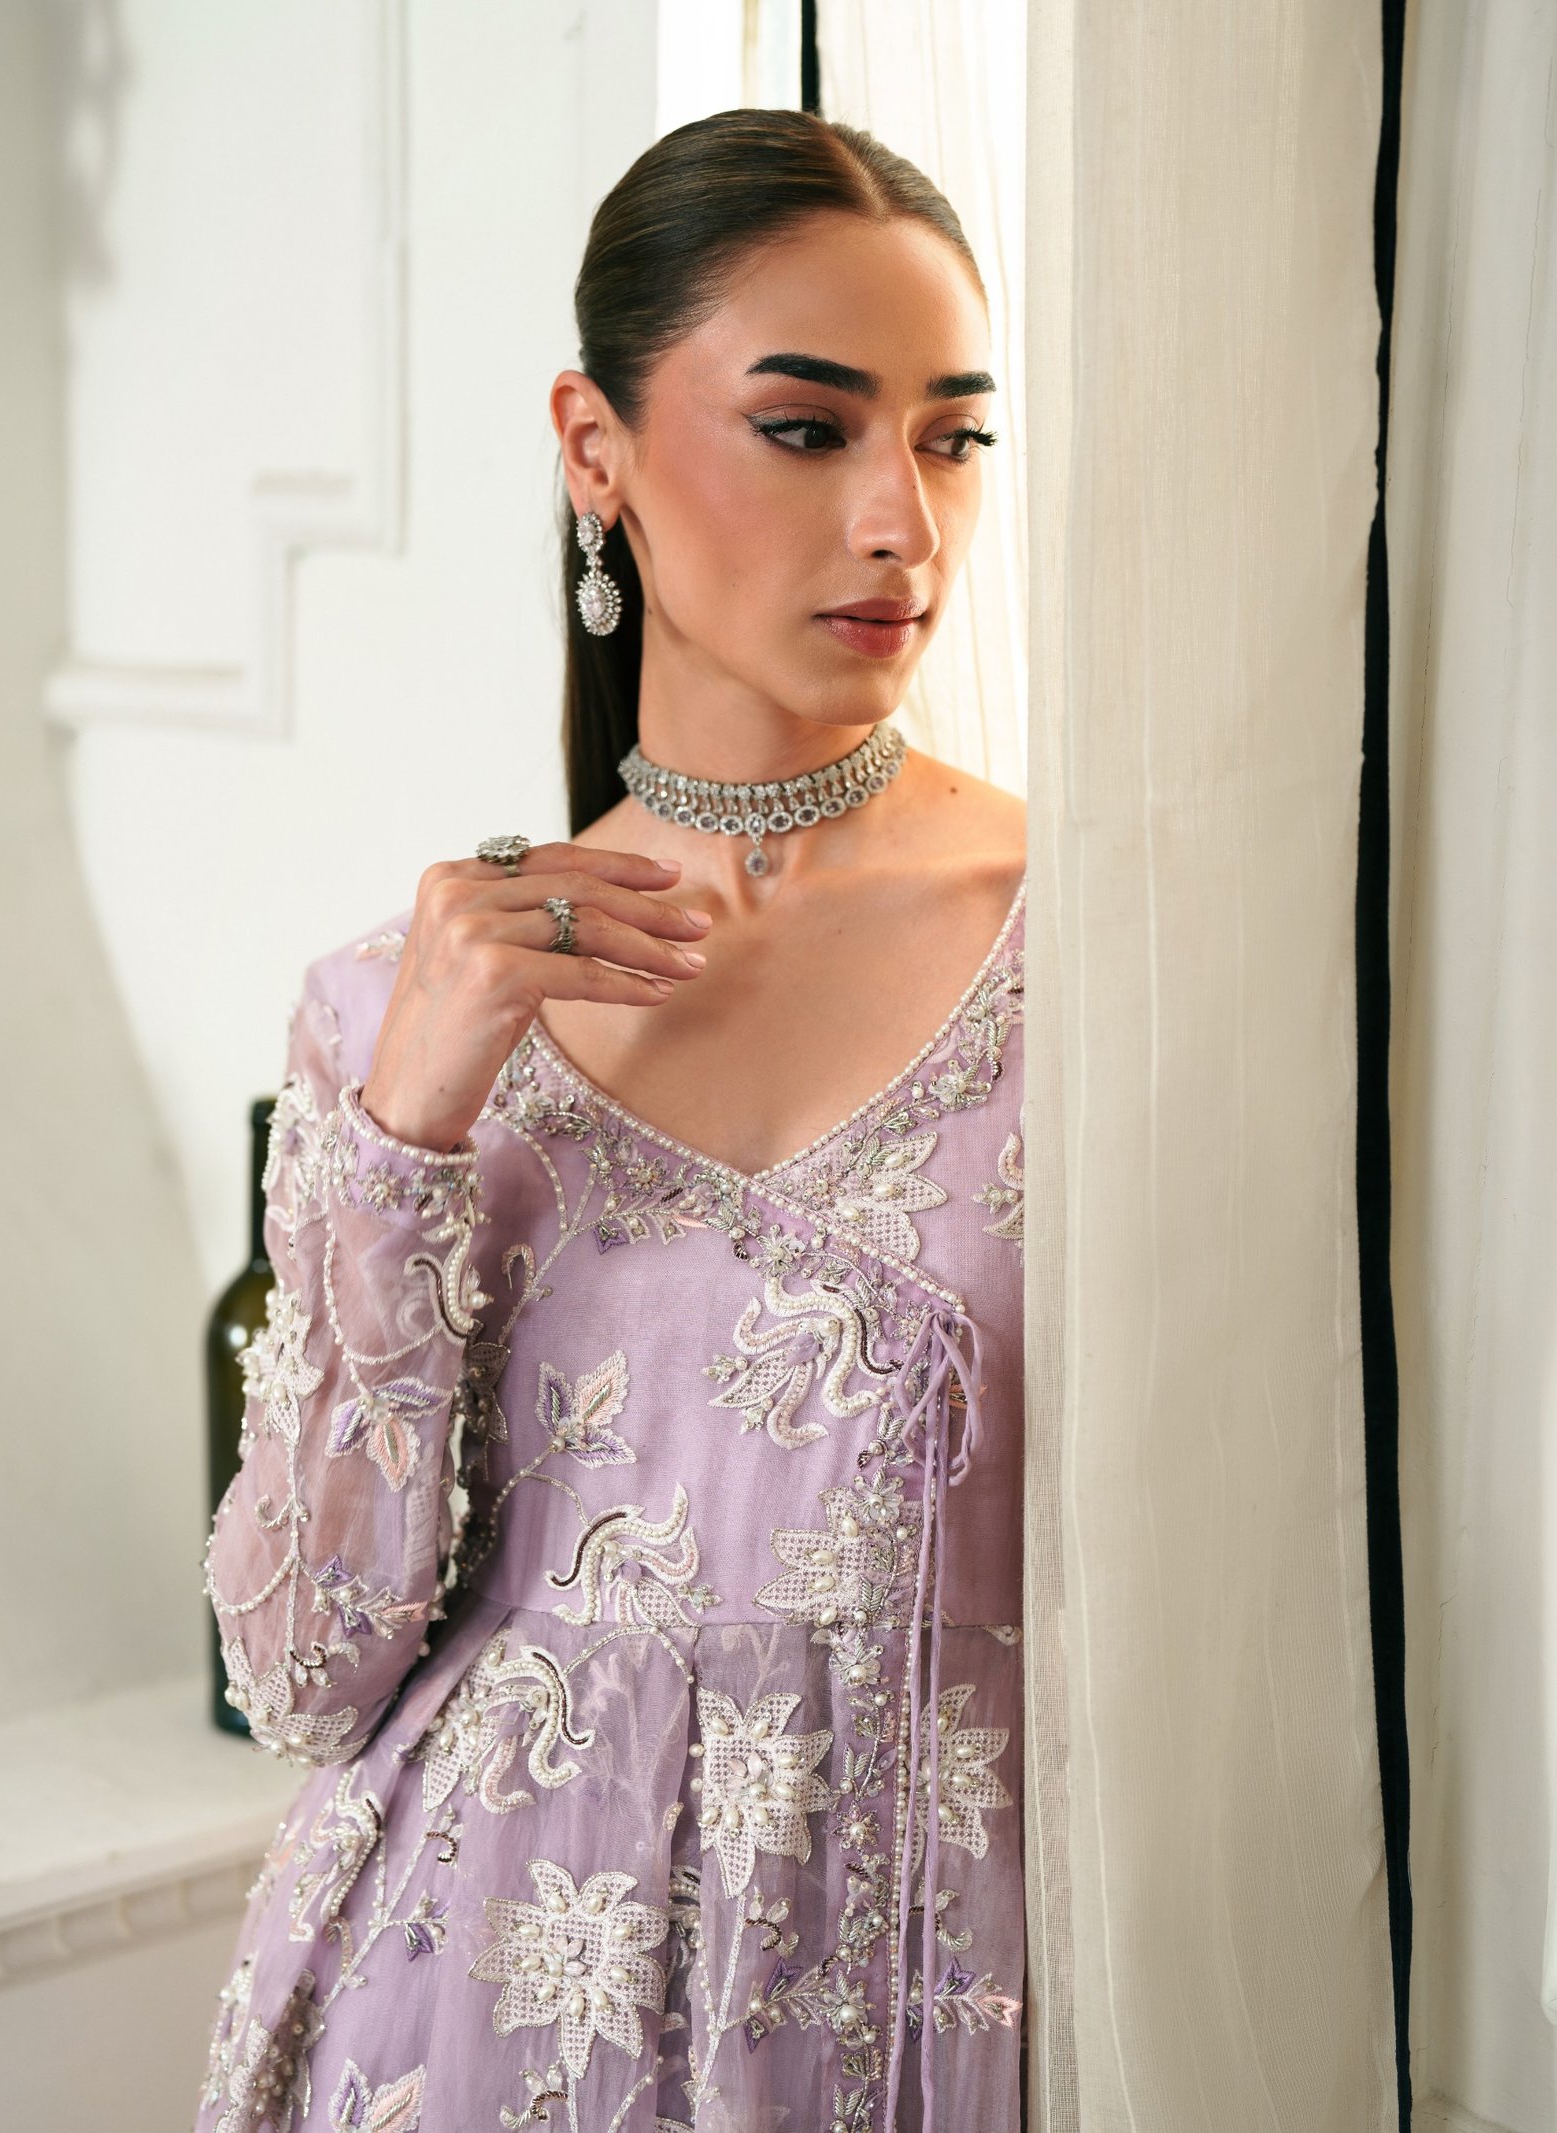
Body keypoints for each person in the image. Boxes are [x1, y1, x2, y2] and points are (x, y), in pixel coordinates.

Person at [195, 106, 1027, 2133]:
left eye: (951, 439)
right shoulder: (389, 1010)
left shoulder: (1093, 954)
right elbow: (301, 1672)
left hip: (937, 2013)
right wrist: (408, 1121)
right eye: (808, 429)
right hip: (463, 2017)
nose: (900, 522)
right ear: (594, 448)